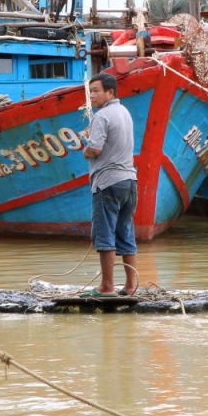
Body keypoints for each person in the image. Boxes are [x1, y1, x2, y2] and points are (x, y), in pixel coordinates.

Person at [82, 73, 138, 297]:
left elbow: (94, 149)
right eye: (90, 91)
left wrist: (85, 150)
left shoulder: (102, 116)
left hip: (107, 183)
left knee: (105, 236)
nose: (92, 96)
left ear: (110, 92)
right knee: (125, 234)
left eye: (96, 91)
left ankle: (106, 287)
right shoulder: (125, 113)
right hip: (129, 181)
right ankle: (131, 285)